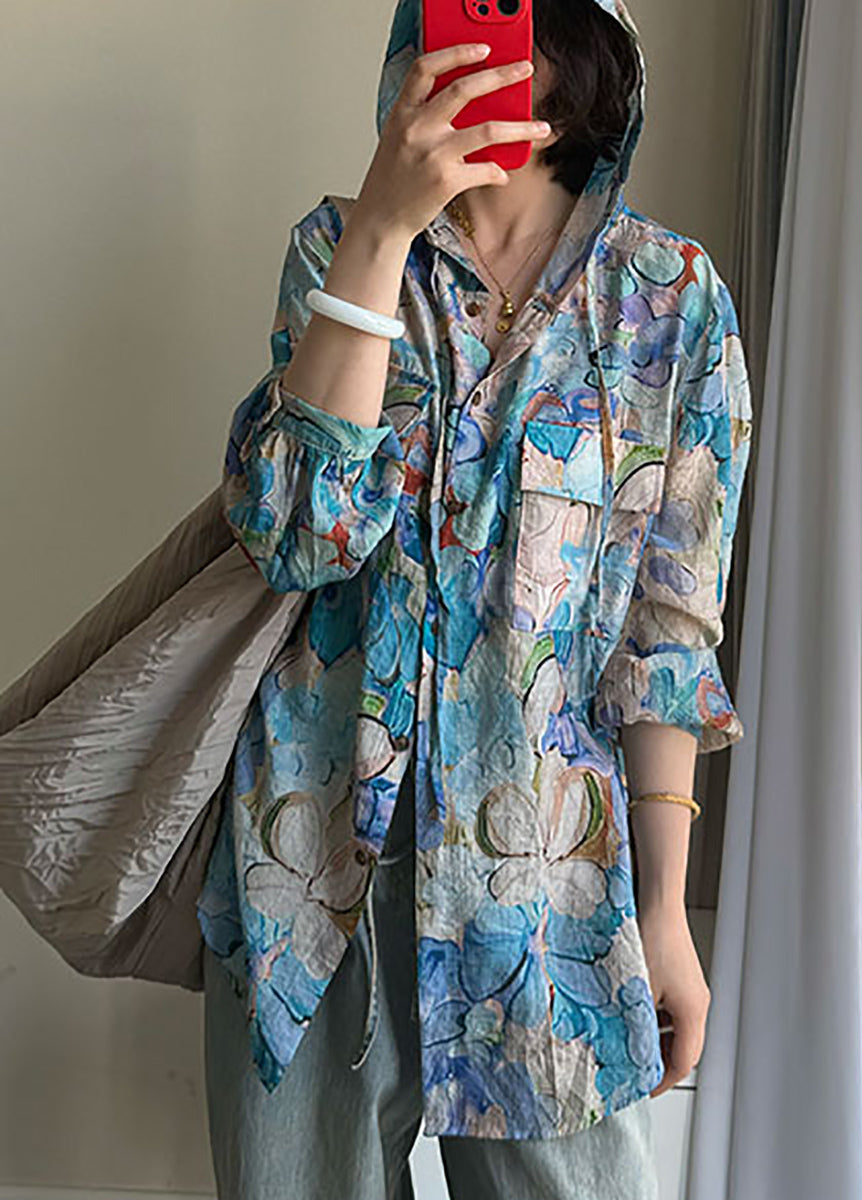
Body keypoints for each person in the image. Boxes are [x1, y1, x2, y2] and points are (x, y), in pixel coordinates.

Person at [196, 0, 754, 1196]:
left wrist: (665, 914)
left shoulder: (671, 299)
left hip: (550, 896)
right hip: (314, 879)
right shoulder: (339, 248)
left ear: (584, 43)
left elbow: (666, 636)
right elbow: (297, 537)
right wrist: (382, 227)